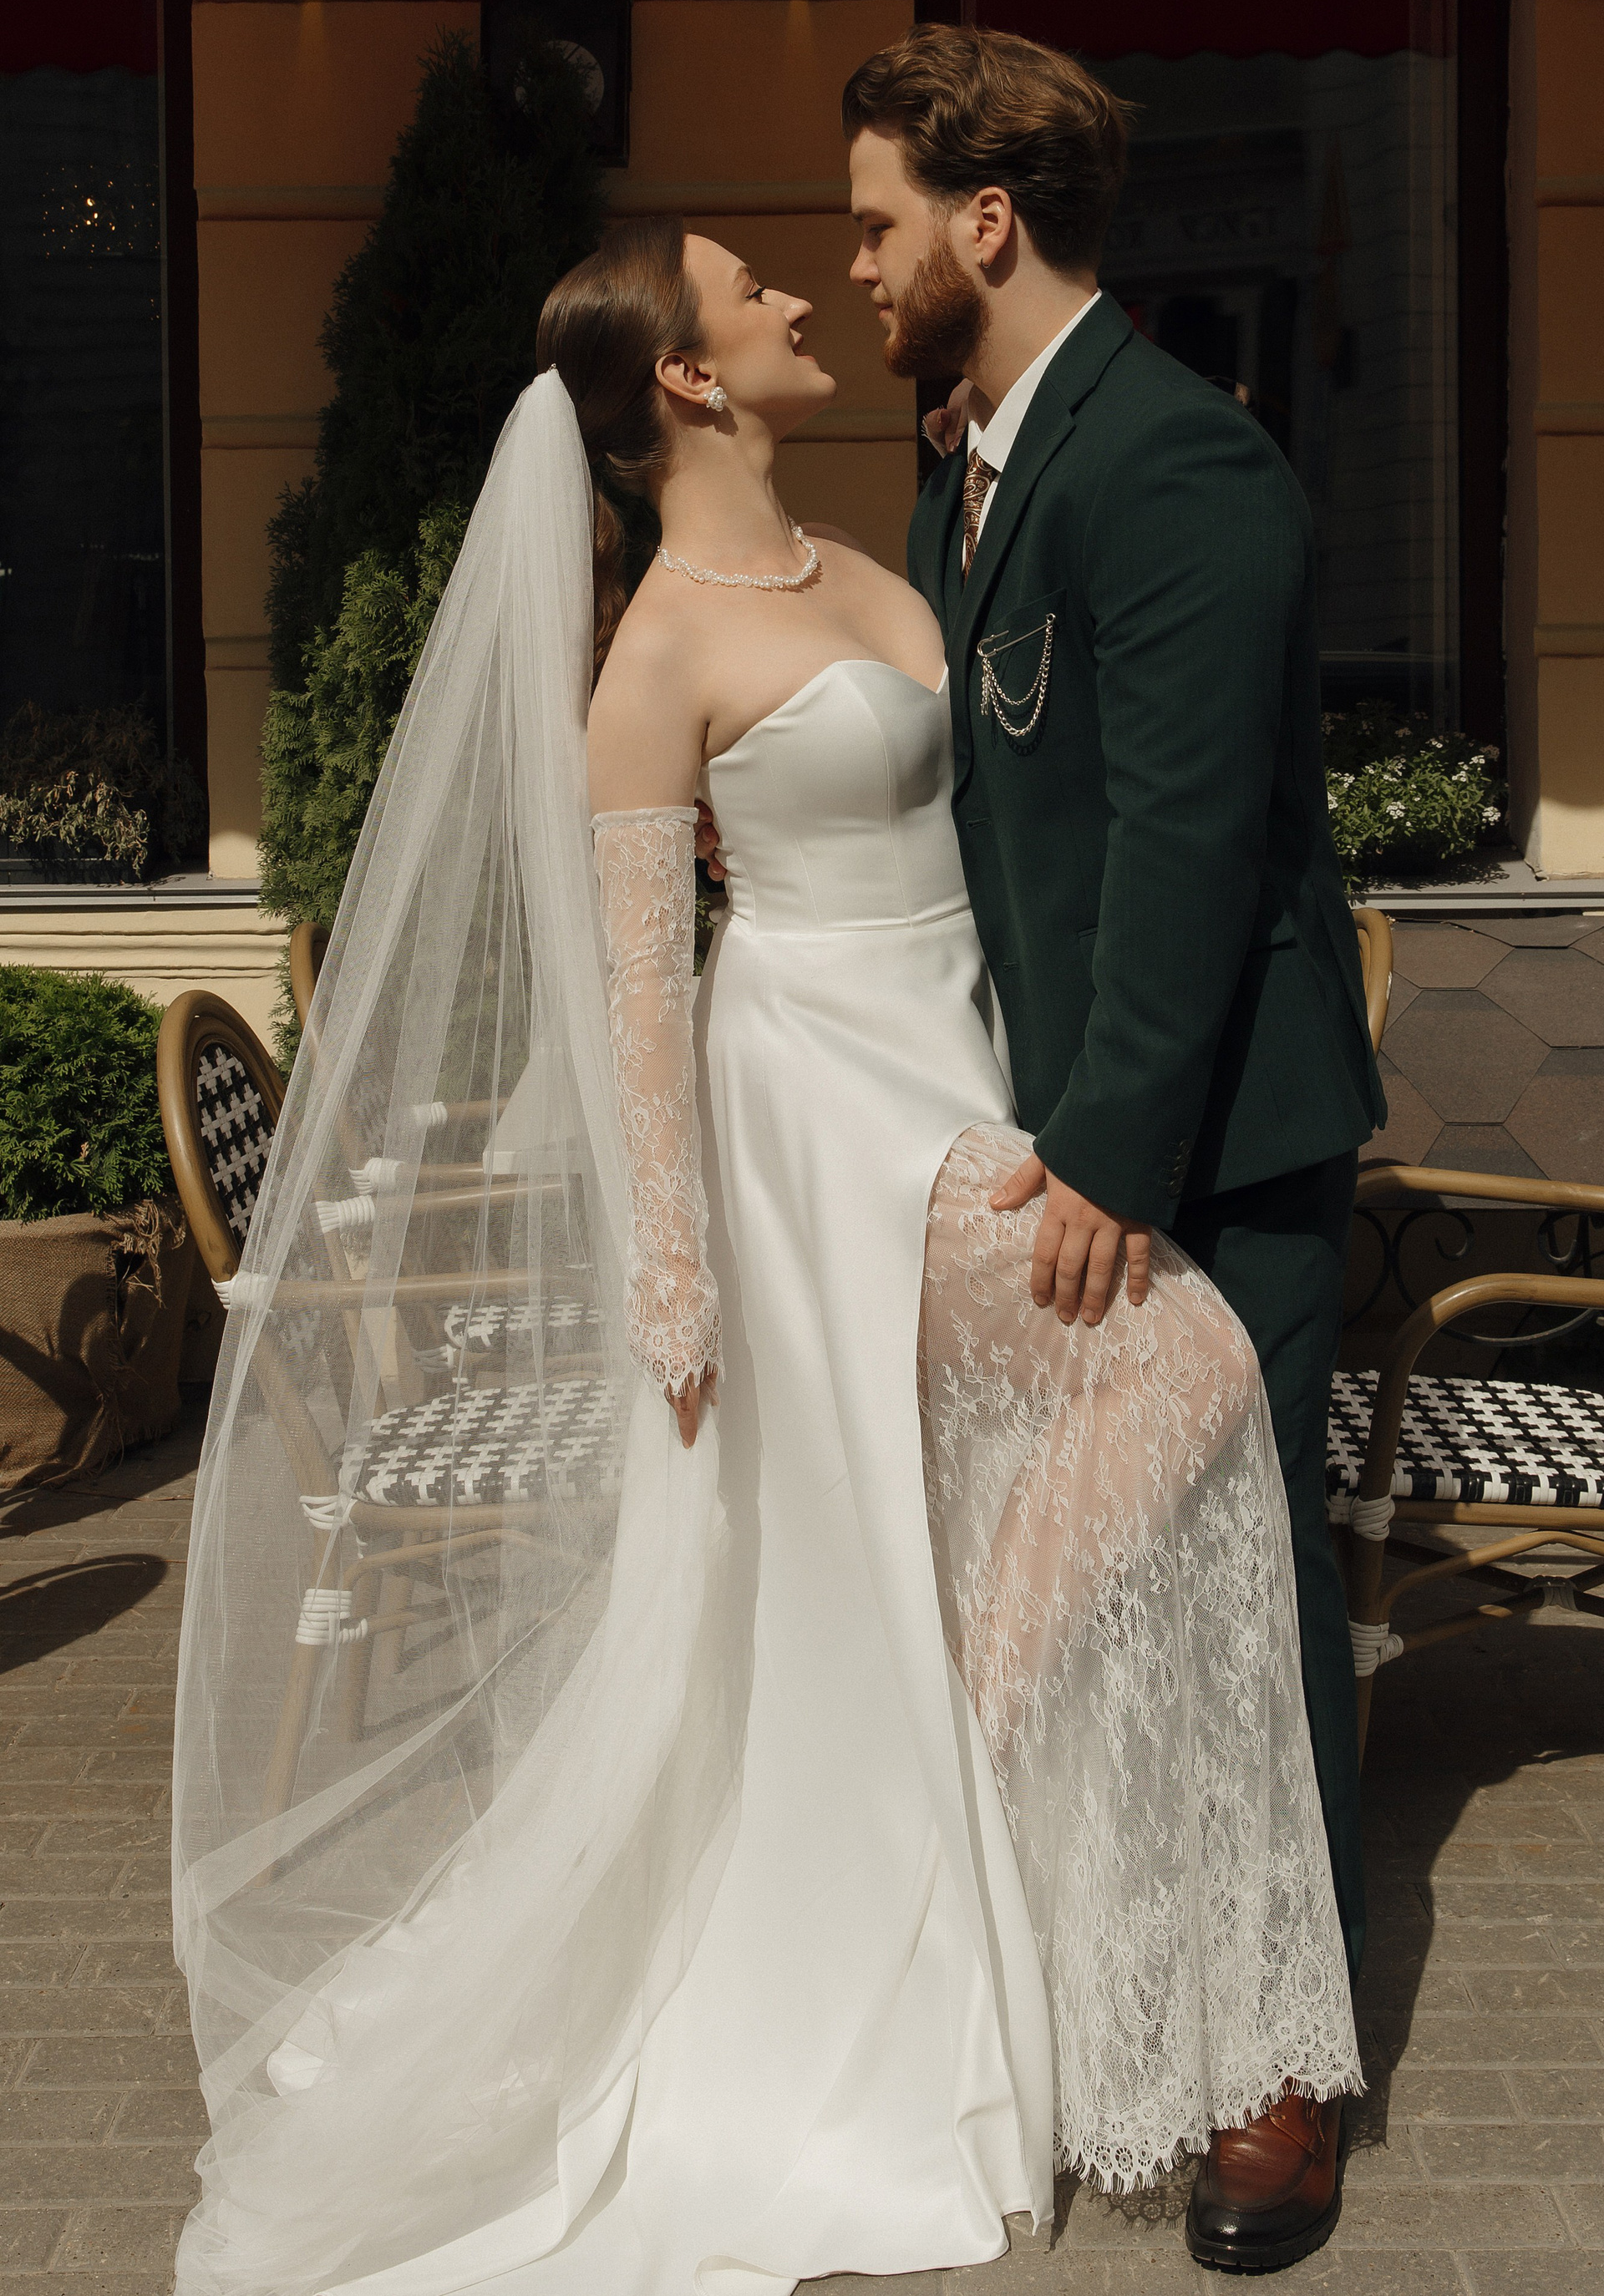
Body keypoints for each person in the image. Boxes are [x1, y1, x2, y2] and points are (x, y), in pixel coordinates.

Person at [170, 212, 1358, 2296]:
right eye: (752, 291)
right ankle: (973, 1759)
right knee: (1174, 1372)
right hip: (822, 1113)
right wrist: (671, 1271)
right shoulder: (652, 662)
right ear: (691, 377)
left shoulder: (895, 546)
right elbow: (642, 989)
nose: (808, 292)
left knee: (1065, 1446)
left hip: (966, 1051)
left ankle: (990, 1754)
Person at [840, 21, 1387, 2267]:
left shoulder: (1177, 463)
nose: (855, 265)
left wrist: (1113, 1156)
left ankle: (1282, 2078)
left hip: (1206, 1144)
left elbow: (1185, 836)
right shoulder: (966, 474)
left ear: (987, 221)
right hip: (1048, 1142)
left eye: (876, 223)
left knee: (1255, 1580)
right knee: (1121, 1598)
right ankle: (1134, 1982)